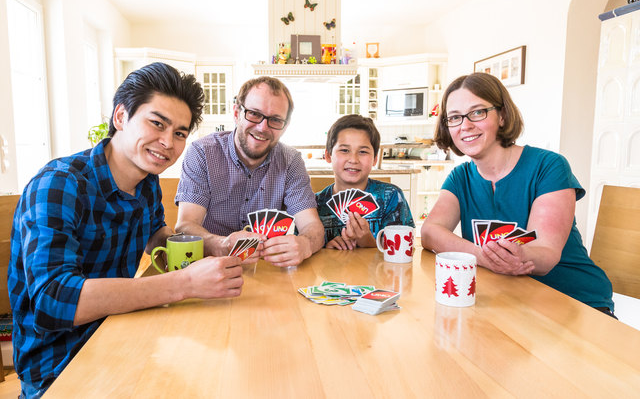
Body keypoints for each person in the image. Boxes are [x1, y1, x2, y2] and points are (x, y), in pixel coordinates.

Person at [8, 62, 245, 398]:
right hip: (60, 369)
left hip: (121, 334)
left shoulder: (146, 182)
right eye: (157, 123)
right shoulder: (60, 184)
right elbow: (54, 299)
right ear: (121, 117)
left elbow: (156, 236)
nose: (167, 142)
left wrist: (214, 246)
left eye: (179, 133)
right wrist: (186, 283)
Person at [420, 72, 614, 314]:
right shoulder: (460, 178)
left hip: (574, 302)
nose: (465, 125)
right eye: (455, 118)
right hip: (508, 302)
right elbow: (429, 233)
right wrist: (484, 256)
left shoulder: (549, 166)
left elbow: (546, 255)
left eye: (477, 112)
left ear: (502, 116)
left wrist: (513, 257)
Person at [175, 76, 324, 267]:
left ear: (285, 127)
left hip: (267, 270)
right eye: (254, 114)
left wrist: (305, 244)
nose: (263, 127)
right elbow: (185, 226)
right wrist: (221, 244)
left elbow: (313, 227)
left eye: (276, 120)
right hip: (211, 267)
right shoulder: (202, 152)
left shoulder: (291, 161)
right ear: (237, 112)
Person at [316, 114, 415, 250]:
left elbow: (403, 250)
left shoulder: (391, 196)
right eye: (344, 150)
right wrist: (326, 253)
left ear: (375, 159)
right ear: (328, 155)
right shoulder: (313, 204)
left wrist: (367, 241)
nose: (353, 159)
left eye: (363, 151)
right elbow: (306, 250)